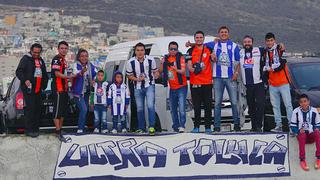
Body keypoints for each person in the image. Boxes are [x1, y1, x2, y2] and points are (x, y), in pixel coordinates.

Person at [210, 26, 241, 132]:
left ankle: (237, 124)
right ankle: (217, 126)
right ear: (218, 34)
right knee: (217, 102)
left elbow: (238, 61)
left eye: (225, 32)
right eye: (222, 32)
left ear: (228, 34)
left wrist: (236, 73)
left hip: (230, 77)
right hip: (217, 78)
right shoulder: (214, 44)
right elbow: (200, 45)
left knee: (234, 102)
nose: (223, 33)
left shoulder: (234, 46)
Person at [125, 42, 159, 135]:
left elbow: (156, 72)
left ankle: (151, 127)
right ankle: (141, 128)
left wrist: (156, 75)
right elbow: (129, 75)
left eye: (142, 50)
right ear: (135, 52)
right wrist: (137, 79)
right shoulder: (130, 62)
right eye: (138, 50)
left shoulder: (151, 60)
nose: (140, 52)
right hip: (137, 87)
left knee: (150, 106)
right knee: (139, 108)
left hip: (149, 85)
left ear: (144, 51)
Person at [16, 43, 48, 137]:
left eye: (38, 53)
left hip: (38, 89)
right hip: (29, 88)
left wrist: (44, 85)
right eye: (35, 52)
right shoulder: (26, 59)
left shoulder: (40, 60)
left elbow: (44, 73)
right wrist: (25, 80)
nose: (36, 54)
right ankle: (29, 130)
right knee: (30, 109)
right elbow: (19, 71)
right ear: (31, 50)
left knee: (37, 109)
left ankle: (35, 129)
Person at [262, 32, 292, 132]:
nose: (269, 42)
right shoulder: (265, 52)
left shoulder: (280, 49)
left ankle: (292, 126)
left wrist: (273, 69)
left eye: (271, 40)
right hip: (273, 84)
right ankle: (278, 125)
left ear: (274, 40)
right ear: (265, 42)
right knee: (275, 106)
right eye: (268, 41)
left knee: (288, 105)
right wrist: (266, 80)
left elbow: (283, 64)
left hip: (283, 82)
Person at [186, 31, 213, 133]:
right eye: (197, 37)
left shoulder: (209, 49)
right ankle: (196, 127)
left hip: (207, 83)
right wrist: (195, 69)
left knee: (208, 106)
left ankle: (208, 127)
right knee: (197, 106)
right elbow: (189, 66)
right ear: (194, 39)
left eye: (201, 37)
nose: (199, 39)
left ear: (203, 39)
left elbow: (214, 58)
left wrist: (214, 56)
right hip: (195, 82)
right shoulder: (190, 50)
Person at [239, 35, 266, 132]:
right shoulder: (240, 52)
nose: (247, 43)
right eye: (245, 42)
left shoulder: (259, 50)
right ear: (243, 43)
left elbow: (271, 48)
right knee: (251, 107)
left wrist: (280, 46)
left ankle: (259, 125)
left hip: (258, 83)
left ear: (252, 42)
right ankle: (254, 126)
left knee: (260, 104)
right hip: (247, 84)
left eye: (249, 41)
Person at [159, 41, 187, 133]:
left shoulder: (181, 58)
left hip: (181, 86)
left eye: (175, 49)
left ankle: (182, 126)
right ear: (168, 49)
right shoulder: (166, 59)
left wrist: (176, 69)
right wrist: (162, 63)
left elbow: (183, 71)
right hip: (172, 87)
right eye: (171, 49)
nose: (173, 51)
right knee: (172, 109)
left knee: (182, 108)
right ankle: (176, 126)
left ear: (177, 50)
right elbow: (160, 71)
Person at [51, 41, 74, 142]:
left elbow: (65, 74)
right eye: (62, 48)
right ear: (58, 49)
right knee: (57, 111)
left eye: (65, 48)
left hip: (64, 89)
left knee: (63, 111)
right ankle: (57, 131)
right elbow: (56, 73)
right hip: (58, 88)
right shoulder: (56, 59)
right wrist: (68, 77)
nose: (64, 50)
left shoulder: (64, 60)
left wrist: (70, 78)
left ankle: (60, 129)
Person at [290, 94, 320, 171]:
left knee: (317, 133)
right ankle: (302, 160)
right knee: (302, 134)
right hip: (301, 136)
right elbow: (292, 126)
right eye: (301, 102)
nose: (303, 103)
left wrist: (316, 128)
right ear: (299, 103)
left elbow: (318, 124)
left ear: (308, 102)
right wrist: (298, 131)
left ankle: (319, 158)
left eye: (305, 101)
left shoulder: (314, 110)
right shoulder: (296, 111)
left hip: (311, 136)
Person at [72, 49, 96, 133]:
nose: (84, 58)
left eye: (86, 56)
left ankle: (83, 126)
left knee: (85, 110)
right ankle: (80, 129)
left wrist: (94, 79)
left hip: (87, 92)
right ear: (79, 57)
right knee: (84, 109)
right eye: (82, 56)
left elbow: (95, 74)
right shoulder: (75, 65)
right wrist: (81, 72)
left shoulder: (90, 65)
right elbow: (75, 74)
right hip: (78, 93)